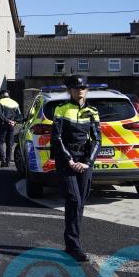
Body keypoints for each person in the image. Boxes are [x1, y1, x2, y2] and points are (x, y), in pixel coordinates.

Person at [50, 74, 100, 262]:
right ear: (70, 90)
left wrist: (87, 162)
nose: (80, 91)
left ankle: (71, 244)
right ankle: (74, 246)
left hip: (84, 161)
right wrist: (70, 160)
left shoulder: (93, 111)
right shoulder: (61, 109)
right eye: (77, 88)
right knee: (74, 200)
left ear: (87, 90)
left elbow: (97, 139)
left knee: (79, 203)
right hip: (66, 161)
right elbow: (56, 138)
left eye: (83, 88)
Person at [0, 90, 22, 167]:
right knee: (9, 143)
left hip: (2, 125)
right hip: (11, 126)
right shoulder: (15, 103)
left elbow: (0, 114)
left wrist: (7, 121)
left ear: (1, 95)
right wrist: (14, 122)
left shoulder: (0, 102)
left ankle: (3, 160)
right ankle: (8, 161)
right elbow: (20, 116)